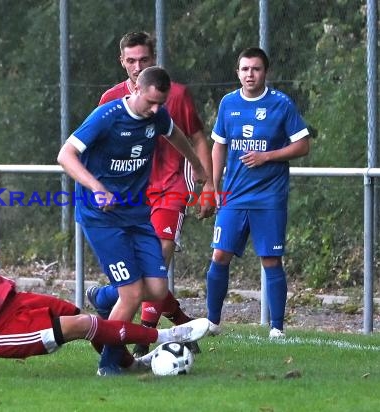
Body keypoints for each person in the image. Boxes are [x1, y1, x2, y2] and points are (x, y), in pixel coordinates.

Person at [0, 188, 209, 378]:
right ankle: (169, 335)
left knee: (77, 315)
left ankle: (129, 366)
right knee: (85, 323)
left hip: (12, 300)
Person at [57, 66, 209, 375]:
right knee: (132, 294)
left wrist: (196, 165)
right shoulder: (107, 116)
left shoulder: (158, 117)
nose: (155, 109)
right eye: (150, 102)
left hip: (136, 213)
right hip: (101, 216)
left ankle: (103, 296)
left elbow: (175, 134)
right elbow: (65, 155)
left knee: (155, 288)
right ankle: (109, 365)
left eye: (160, 104)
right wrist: (98, 188)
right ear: (136, 90)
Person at [94, 31, 215, 358]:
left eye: (143, 60)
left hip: (170, 188)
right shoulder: (110, 100)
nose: (137, 66)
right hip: (131, 197)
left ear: (154, 59)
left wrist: (209, 185)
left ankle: (145, 339)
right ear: (122, 61)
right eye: (130, 60)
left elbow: (197, 137)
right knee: (144, 277)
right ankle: (175, 318)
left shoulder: (175, 95)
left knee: (157, 260)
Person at [206, 47, 310, 339]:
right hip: (234, 196)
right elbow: (218, 145)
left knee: (270, 260)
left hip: (269, 198)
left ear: (266, 72)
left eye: (256, 69)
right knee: (219, 255)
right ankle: (212, 322)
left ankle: (277, 327)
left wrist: (268, 156)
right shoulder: (228, 103)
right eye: (245, 69)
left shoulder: (281, 104)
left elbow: (303, 145)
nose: (250, 74)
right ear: (237, 72)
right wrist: (214, 187)